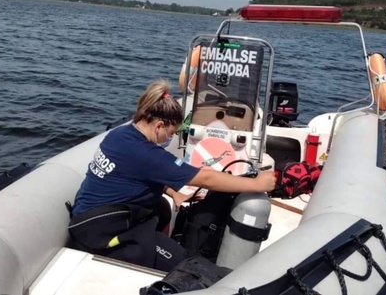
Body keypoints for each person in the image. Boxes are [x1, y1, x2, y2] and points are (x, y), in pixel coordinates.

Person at [68, 78, 276, 272]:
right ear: (159, 125)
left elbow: (135, 175)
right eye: (170, 133)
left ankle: (153, 251)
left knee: (163, 208)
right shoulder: (148, 155)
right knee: (189, 266)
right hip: (101, 234)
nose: (170, 138)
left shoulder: (119, 135)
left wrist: (172, 192)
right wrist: (257, 184)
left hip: (87, 218)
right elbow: (206, 178)